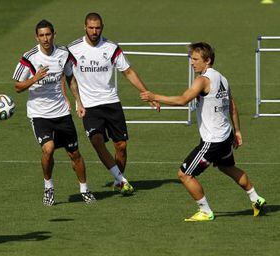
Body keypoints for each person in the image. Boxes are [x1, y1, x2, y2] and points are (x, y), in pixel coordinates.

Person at [141, 42, 266, 221]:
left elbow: (183, 100)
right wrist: (237, 131)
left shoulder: (202, 80)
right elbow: (232, 106)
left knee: (184, 174)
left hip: (213, 140)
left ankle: (205, 211)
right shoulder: (222, 78)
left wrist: (154, 97)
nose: (192, 63)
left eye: (195, 59)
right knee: (226, 166)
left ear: (207, 61)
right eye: (191, 58)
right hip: (226, 135)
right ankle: (256, 198)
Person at [66, 12, 159, 195]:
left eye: (98, 28)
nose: (94, 31)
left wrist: (147, 94)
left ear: (102, 27)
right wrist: (77, 101)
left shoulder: (111, 47)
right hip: (90, 105)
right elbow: (68, 77)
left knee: (121, 147)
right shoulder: (73, 49)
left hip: (111, 102)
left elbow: (129, 72)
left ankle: (118, 180)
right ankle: (122, 180)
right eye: (91, 28)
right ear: (85, 27)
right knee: (97, 140)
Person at [13, 20, 96, 206]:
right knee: (48, 149)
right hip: (39, 114)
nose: (45, 39)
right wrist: (35, 78)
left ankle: (84, 190)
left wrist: (78, 102)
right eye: (41, 35)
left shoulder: (63, 54)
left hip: (61, 113)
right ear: (36, 37)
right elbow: (18, 86)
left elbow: (70, 79)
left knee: (74, 154)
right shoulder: (29, 57)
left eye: (48, 34)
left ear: (54, 35)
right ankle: (48, 187)